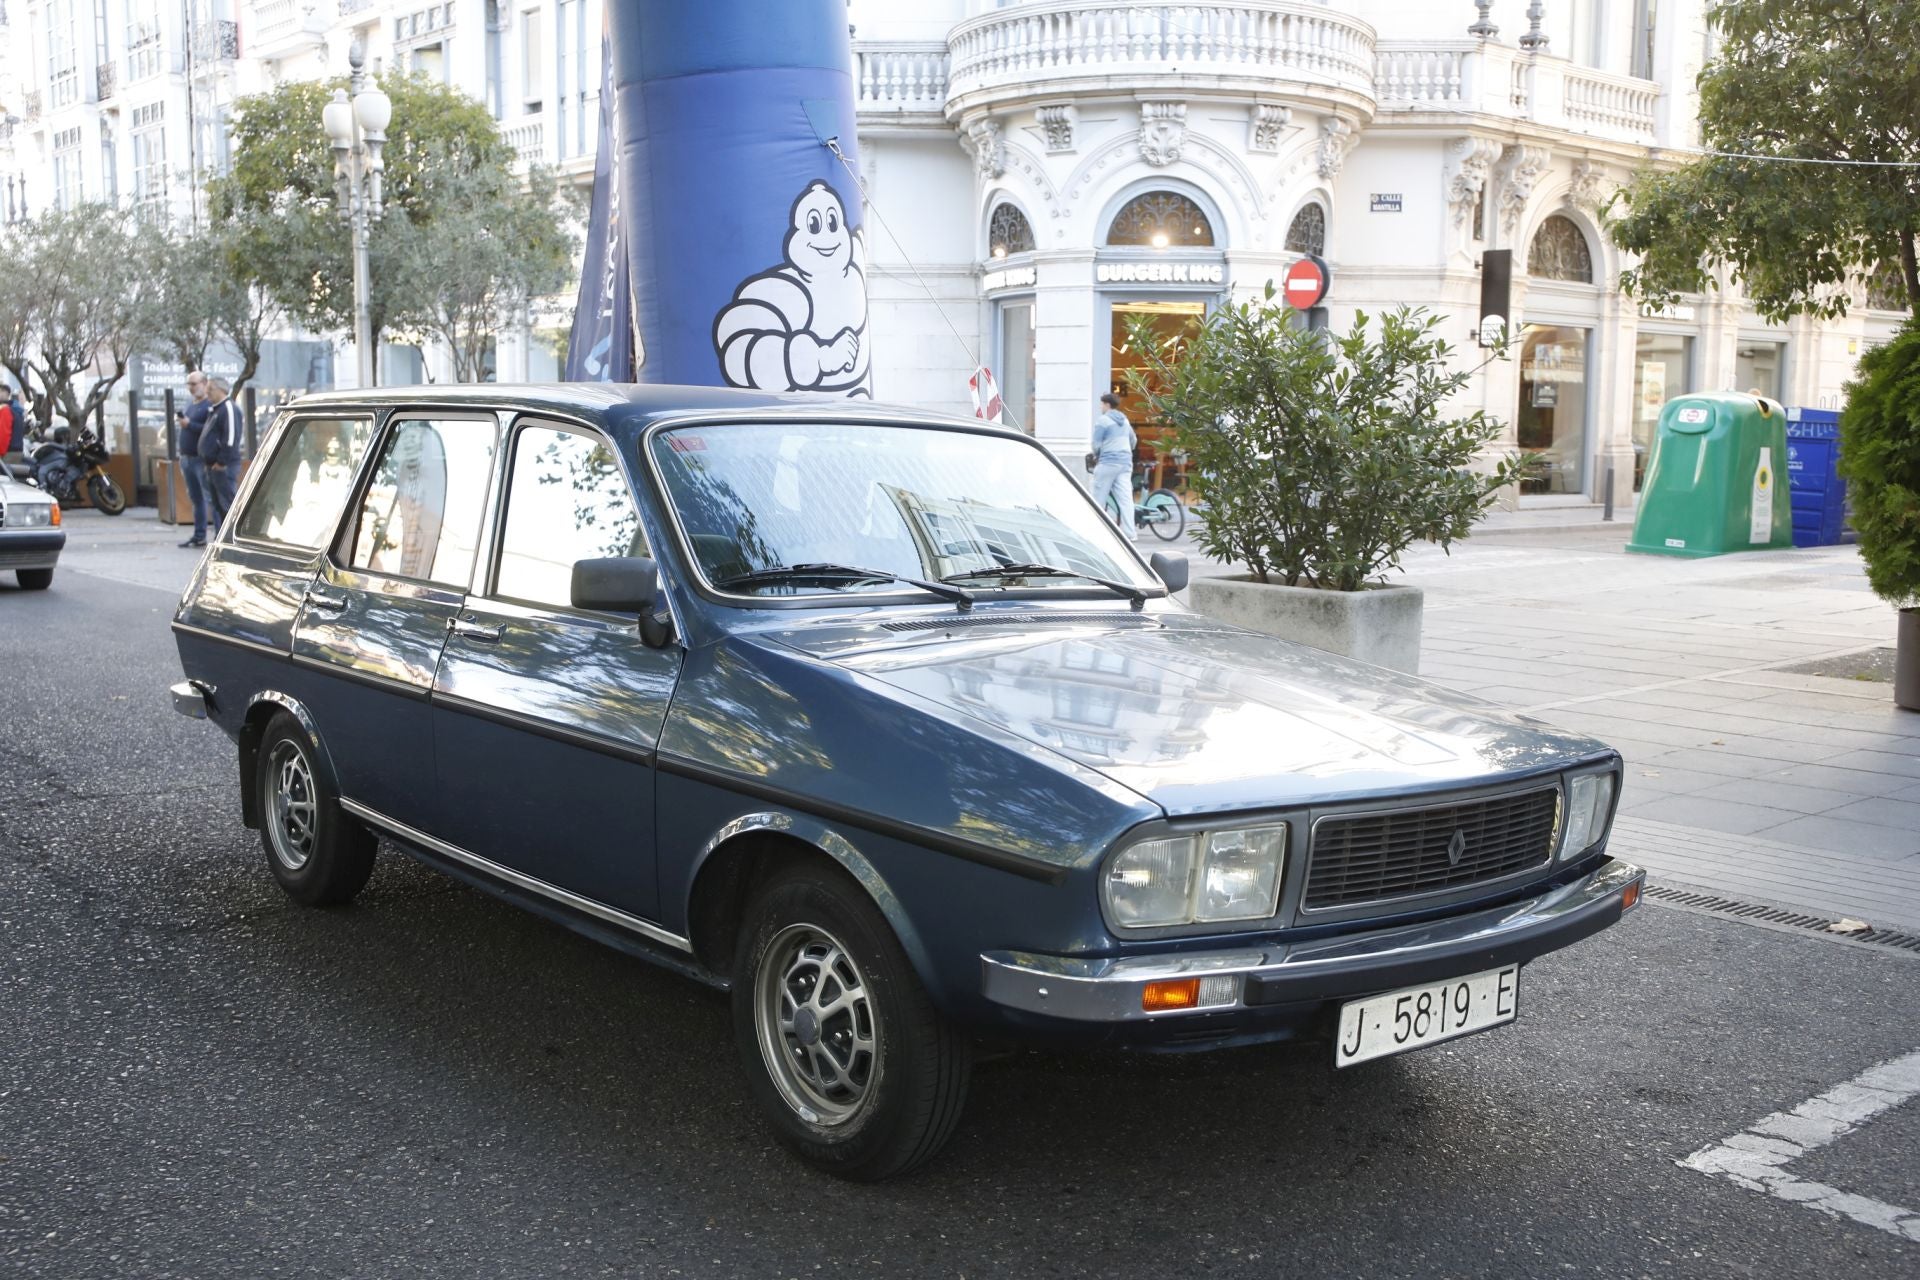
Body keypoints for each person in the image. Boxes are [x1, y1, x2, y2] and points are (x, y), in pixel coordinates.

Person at [1088, 391, 1136, 540]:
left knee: (1098, 499)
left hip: (1108, 462)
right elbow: (1133, 441)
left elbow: (1096, 444)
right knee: (1126, 500)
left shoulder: (1103, 421)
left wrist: (1097, 455)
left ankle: (1095, 533)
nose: (1101, 407)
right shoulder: (1125, 420)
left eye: (1102, 404)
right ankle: (1130, 533)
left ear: (1107, 404)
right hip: (1125, 463)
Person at [199, 376, 245, 531]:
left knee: (227, 506)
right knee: (218, 506)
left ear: (221, 390)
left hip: (223, 467)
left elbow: (231, 439)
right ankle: (221, 536)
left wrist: (221, 462)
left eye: (210, 389)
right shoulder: (215, 409)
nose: (207, 393)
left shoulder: (228, 408)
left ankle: (232, 537)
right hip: (212, 465)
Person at [175, 371, 212, 548]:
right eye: (189, 384)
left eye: (194, 384)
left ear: (204, 383)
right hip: (186, 458)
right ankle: (199, 535)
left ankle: (219, 535)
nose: (191, 388)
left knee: (210, 498)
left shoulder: (209, 405)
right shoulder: (190, 404)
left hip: (200, 459)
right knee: (196, 499)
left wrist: (189, 424)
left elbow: (208, 429)